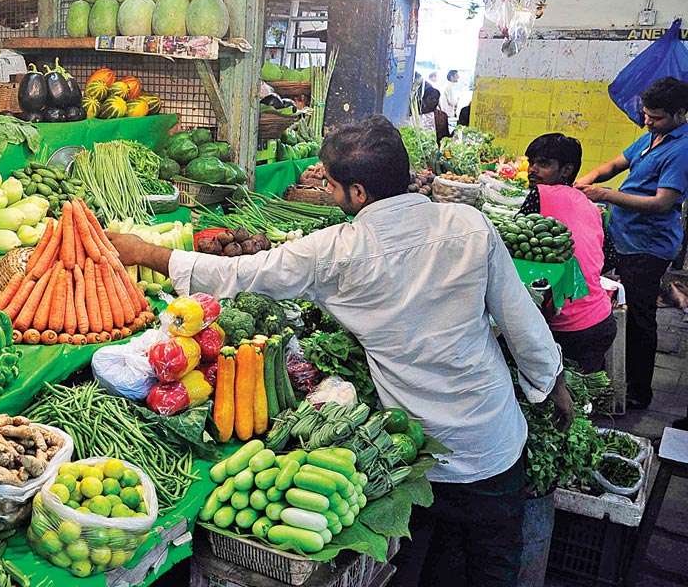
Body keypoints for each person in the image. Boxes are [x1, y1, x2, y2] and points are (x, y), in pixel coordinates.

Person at [107, 116, 571, 587]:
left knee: (416, 564)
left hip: (413, 449)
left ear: (359, 193)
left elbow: (244, 274)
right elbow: (521, 322)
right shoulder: (469, 225)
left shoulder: (337, 250)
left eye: (329, 184)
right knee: (492, 566)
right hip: (491, 439)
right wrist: (554, 387)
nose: (326, 191)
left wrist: (147, 253)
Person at [576, 77, 688, 411]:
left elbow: (661, 203)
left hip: (648, 245)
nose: (647, 121)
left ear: (681, 113)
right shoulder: (652, 137)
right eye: (646, 114)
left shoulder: (682, 150)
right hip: (625, 235)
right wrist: (587, 180)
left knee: (640, 315)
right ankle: (612, 366)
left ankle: (639, 390)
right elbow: (615, 164)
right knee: (619, 297)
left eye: (655, 117)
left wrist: (606, 195)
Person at [521, 133, 615, 372]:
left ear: (566, 170)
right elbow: (610, 257)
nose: (532, 169)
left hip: (570, 326)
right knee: (587, 394)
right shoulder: (591, 206)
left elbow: (514, 252)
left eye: (543, 164)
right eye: (531, 162)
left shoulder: (539, 195)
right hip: (601, 319)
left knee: (562, 398)